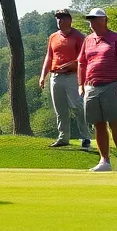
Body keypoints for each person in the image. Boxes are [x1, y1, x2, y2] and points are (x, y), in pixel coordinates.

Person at [77, 8, 117, 172]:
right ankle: (104, 161)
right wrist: (81, 85)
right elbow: (81, 63)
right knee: (98, 124)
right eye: (90, 19)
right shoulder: (88, 40)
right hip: (91, 86)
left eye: (94, 19)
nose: (91, 22)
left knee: (114, 122)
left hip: (112, 85)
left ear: (104, 20)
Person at [39, 8, 89, 149]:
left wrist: (72, 65)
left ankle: (85, 137)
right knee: (60, 110)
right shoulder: (53, 37)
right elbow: (49, 57)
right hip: (55, 77)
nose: (59, 20)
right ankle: (63, 138)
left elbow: (83, 59)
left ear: (70, 20)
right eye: (58, 18)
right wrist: (43, 75)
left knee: (78, 106)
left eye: (63, 17)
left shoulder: (78, 36)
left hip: (72, 76)